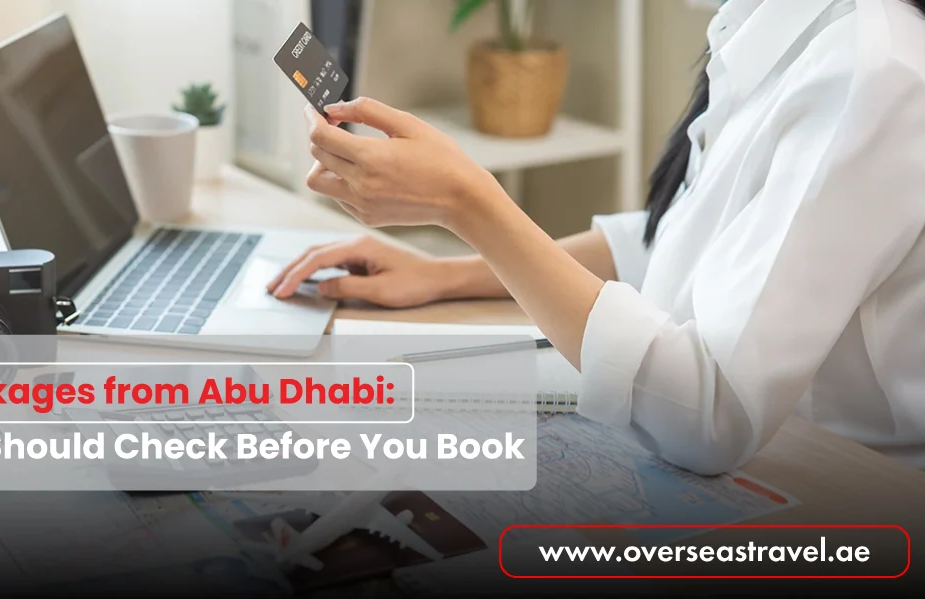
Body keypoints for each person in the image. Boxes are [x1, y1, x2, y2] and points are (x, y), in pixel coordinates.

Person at [267, 0, 925, 474]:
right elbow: (680, 237)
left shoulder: (871, 68)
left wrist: (465, 202)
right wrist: (447, 273)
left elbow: (713, 418)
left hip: (845, 490)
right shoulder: (755, 22)